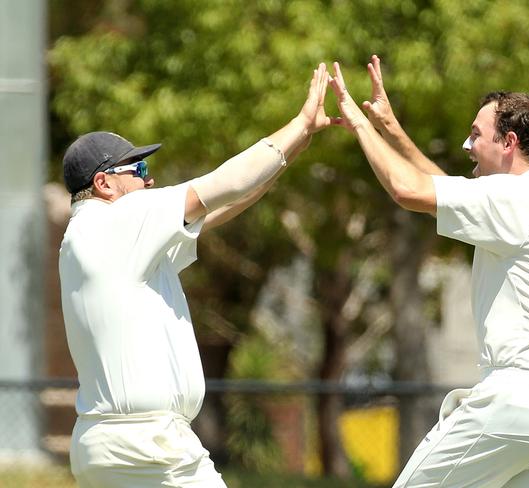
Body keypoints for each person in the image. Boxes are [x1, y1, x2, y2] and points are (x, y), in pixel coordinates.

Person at [58, 64, 332, 488]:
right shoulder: (120, 222)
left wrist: (298, 143)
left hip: (104, 444)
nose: (149, 183)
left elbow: (223, 204)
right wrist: (298, 123)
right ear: (104, 183)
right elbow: (223, 183)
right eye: (140, 172)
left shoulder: (93, 236)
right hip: (149, 445)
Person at [328, 56, 529, 488]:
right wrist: (391, 128)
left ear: (508, 142)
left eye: (475, 135)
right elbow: (448, 192)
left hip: (514, 406)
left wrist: (359, 124)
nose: (467, 146)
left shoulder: (511, 200)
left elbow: (407, 190)